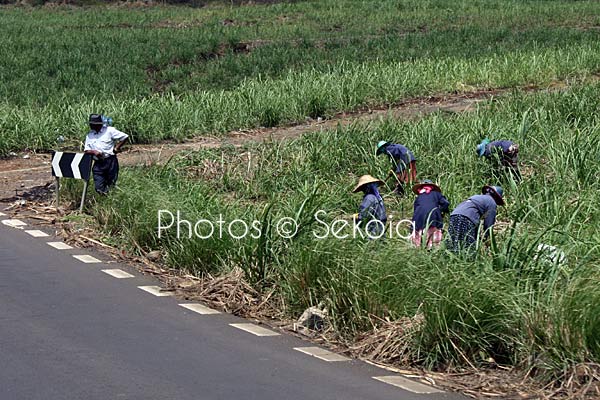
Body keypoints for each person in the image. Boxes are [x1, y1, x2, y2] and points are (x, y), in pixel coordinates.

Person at [446, 185, 504, 254]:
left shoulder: (476, 197)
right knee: (468, 246)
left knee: (453, 242)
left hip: (454, 215)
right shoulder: (492, 202)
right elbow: (489, 224)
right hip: (467, 218)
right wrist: (487, 238)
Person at [84, 114, 129, 195]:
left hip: (110, 161)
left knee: (111, 184)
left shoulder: (109, 131)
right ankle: (105, 196)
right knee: (99, 187)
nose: (90, 125)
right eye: (90, 124)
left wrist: (117, 148)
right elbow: (86, 150)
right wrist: (94, 152)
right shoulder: (90, 135)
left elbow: (125, 137)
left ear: (99, 124)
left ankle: (109, 201)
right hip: (98, 163)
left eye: (92, 124)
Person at [411, 180, 450, 249]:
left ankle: (417, 247)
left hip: (418, 216)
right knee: (433, 229)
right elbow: (446, 203)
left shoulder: (419, 197)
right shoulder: (437, 194)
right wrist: (441, 211)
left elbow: (415, 209)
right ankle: (433, 247)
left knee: (418, 230)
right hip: (433, 214)